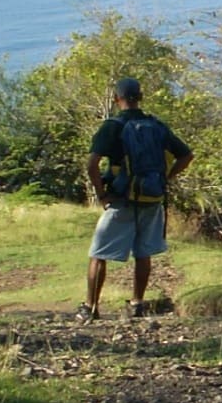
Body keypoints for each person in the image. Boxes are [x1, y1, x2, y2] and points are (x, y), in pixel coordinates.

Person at [79, 77, 193, 322]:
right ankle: (137, 303)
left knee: (98, 254)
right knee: (143, 253)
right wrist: (166, 178)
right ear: (140, 97)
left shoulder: (112, 126)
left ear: (115, 98)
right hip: (152, 198)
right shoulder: (156, 125)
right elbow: (186, 155)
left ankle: (90, 307)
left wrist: (101, 195)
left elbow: (91, 165)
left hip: (121, 199)